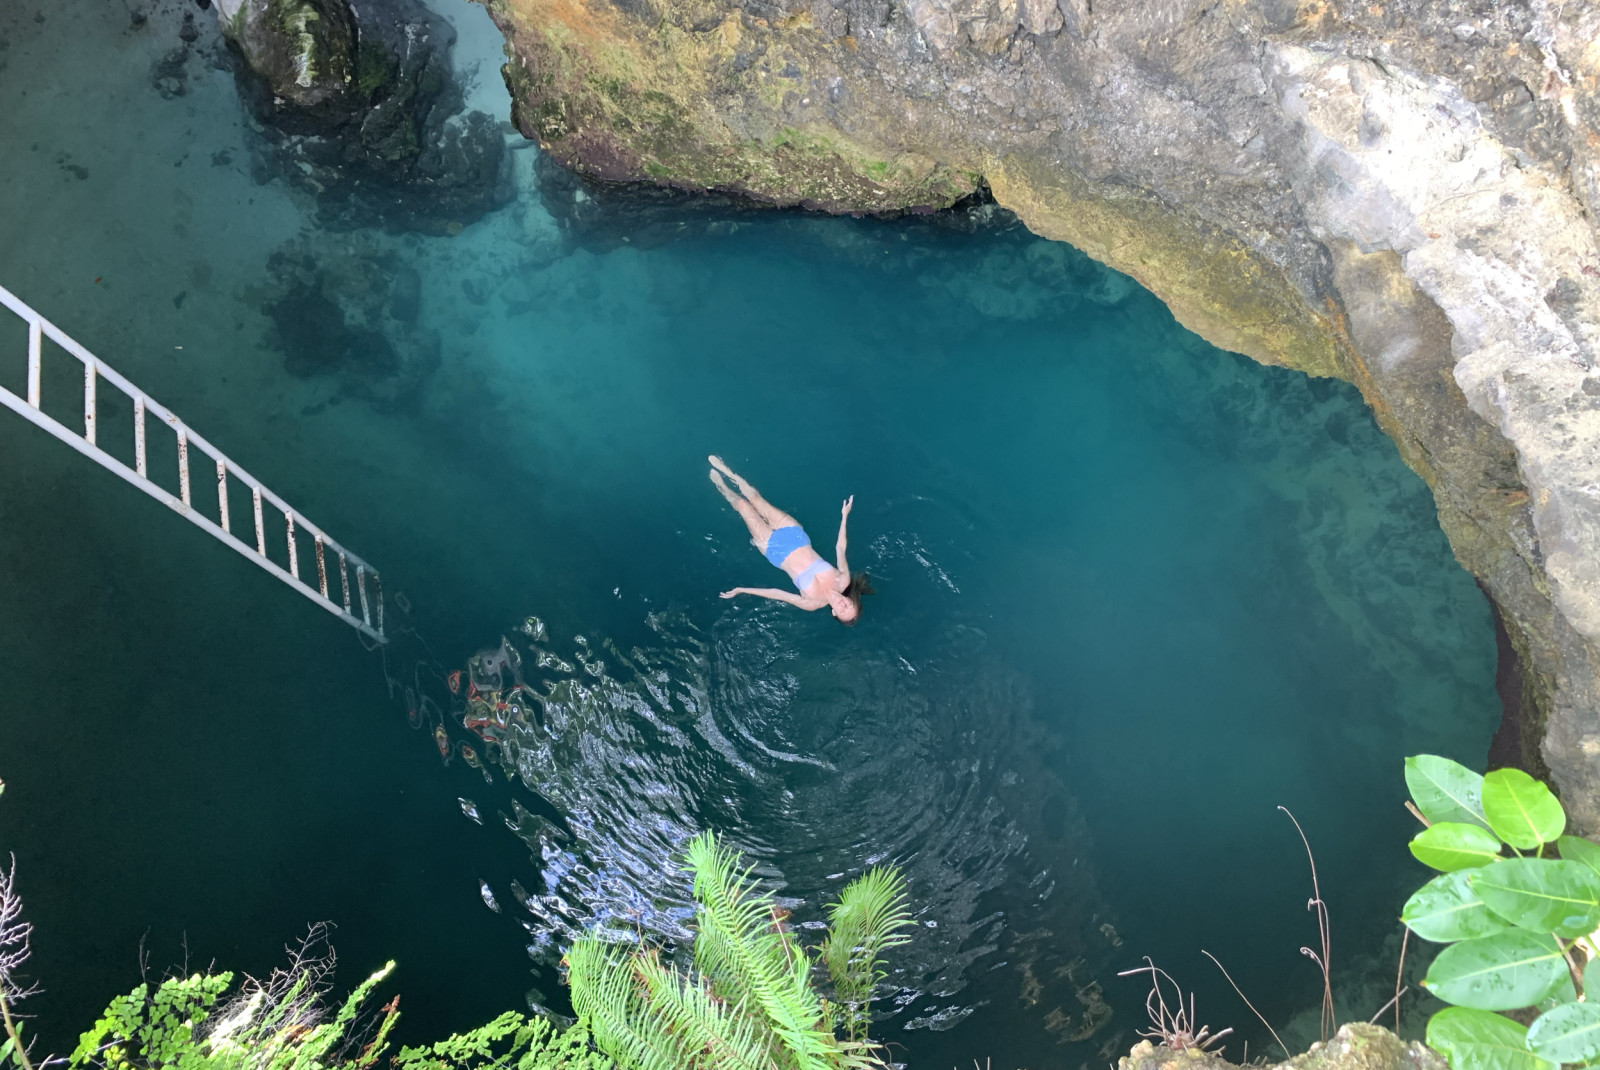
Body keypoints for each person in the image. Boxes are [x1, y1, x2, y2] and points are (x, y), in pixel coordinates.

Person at [708, 455, 870, 624]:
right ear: (850, 599)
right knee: (756, 499)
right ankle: (728, 472)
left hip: (774, 549)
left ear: (834, 614)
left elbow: (777, 593)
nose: (843, 604)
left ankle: (722, 487)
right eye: (849, 604)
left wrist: (741, 590)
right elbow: (840, 548)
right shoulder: (842, 580)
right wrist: (844, 516)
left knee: (742, 505)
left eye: (842, 610)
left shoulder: (811, 603)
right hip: (795, 536)